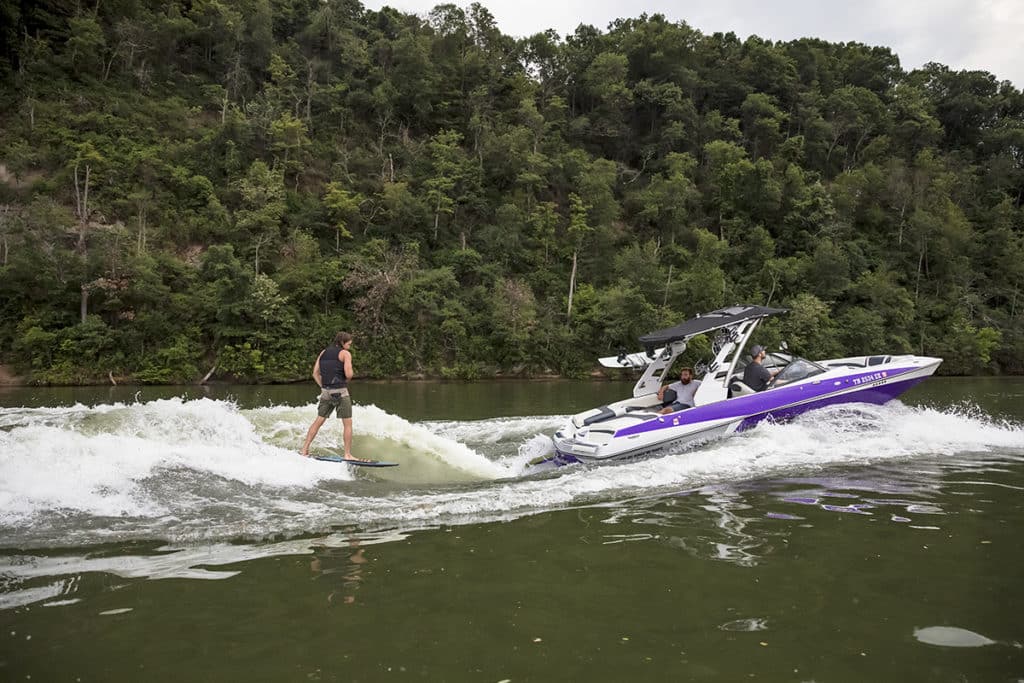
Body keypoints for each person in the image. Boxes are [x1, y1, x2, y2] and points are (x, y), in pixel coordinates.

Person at [300, 332, 364, 460]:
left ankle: (304, 450)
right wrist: (345, 382)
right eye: (349, 344)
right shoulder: (345, 354)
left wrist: (323, 387)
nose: (350, 346)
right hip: (340, 391)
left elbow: (315, 373)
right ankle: (347, 454)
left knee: (318, 421)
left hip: (325, 392)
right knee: (347, 424)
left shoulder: (323, 353)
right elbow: (349, 374)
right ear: (342, 342)